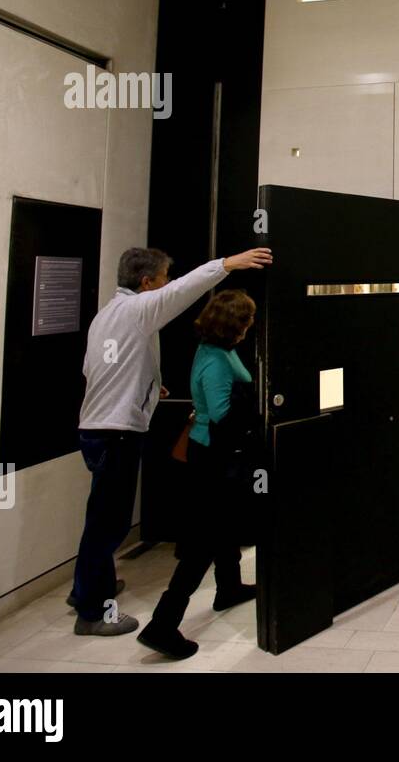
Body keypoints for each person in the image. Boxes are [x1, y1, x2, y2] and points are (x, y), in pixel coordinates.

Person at [71, 246, 273, 636]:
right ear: (147, 282)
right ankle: (93, 610)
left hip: (98, 428)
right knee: (108, 525)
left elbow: (94, 367)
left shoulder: (108, 316)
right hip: (116, 433)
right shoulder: (136, 309)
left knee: (100, 518)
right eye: (163, 277)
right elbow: (183, 290)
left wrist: (147, 388)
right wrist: (227, 264)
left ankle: (88, 589)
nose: (166, 283)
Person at [138, 290, 260, 660]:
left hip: (210, 453)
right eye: (246, 320)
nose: (249, 326)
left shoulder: (214, 352)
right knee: (204, 541)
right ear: (235, 326)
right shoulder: (219, 362)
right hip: (213, 457)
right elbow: (224, 416)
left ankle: (229, 587)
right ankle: (163, 623)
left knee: (221, 526)